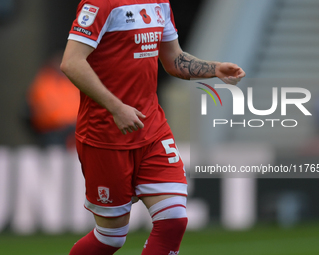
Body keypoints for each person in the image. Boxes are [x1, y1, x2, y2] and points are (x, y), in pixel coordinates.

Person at [60, 1, 246, 254]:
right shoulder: (101, 4)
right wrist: (116, 107)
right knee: (110, 237)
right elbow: (71, 63)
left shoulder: (160, 3)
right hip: (105, 135)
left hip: (151, 129)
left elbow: (173, 60)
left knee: (173, 221)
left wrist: (215, 69)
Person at [26, 51, 79, 149]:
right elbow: (46, 110)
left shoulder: (70, 83)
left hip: (73, 130)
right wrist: (66, 122)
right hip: (52, 131)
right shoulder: (44, 83)